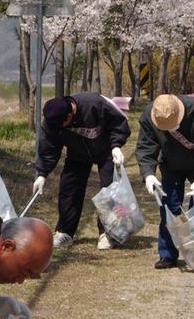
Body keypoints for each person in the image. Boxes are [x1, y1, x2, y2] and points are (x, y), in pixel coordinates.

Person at [32, 93, 131, 250]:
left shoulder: (93, 104)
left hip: (106, 152)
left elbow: (118, 122)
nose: (60, 128)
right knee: (68, 189)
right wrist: (42, 173)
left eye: (63, 124)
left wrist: (116, 146)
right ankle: (65, 232)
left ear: (70, 114)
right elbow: (48, 147)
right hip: (77, 154)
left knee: (109, 190)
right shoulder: (53, 121)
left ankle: (108, 233)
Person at [136, 93, 194, 270]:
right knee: (168, 207)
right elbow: (146, 146)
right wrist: (148, 174)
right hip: (170, 163)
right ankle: (167, 254)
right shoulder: (149, 115)